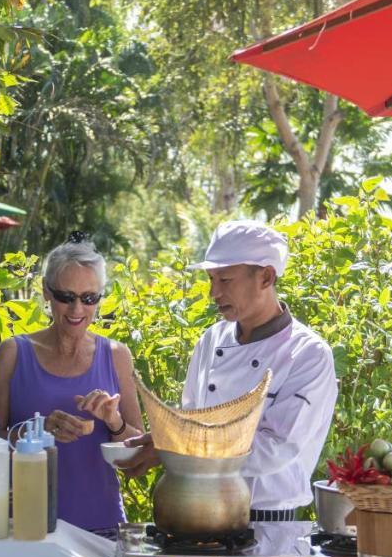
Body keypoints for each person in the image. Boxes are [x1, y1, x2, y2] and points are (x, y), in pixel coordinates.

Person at [121, 220, 337, 521]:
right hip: (198, 514)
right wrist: (165, 438)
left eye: (225, 280)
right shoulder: (211, 340)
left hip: (268, 526)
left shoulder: (308, 354)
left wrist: (174, 449)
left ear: (266, 276)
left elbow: (274, 449)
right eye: (211, 279)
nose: (213, 293)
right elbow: (192, 420)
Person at [0, 234, 144, 533]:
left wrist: (114, 421)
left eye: (89, 298)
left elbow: (136, 449)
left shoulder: (116, 355)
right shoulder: (14, 352)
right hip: (24, 525)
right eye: (66, 297)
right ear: (47, 293)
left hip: (101, 526)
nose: (77, 309)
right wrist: (38, 430)